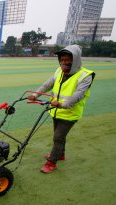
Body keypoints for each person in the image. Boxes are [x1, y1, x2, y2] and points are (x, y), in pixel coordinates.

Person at [28, 45, 95, 173]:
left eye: (67, 60)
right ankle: (61, 155)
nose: (63, 63)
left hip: (70, 113)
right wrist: (35, 95)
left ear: (75, 60)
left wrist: (62, 104)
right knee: (59, 136)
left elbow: (78, 95)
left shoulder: (86, 76)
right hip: (56, 111)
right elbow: (48, 84)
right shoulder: (59, 70)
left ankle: (51, 162)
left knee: (58, 137)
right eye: (62, 60)